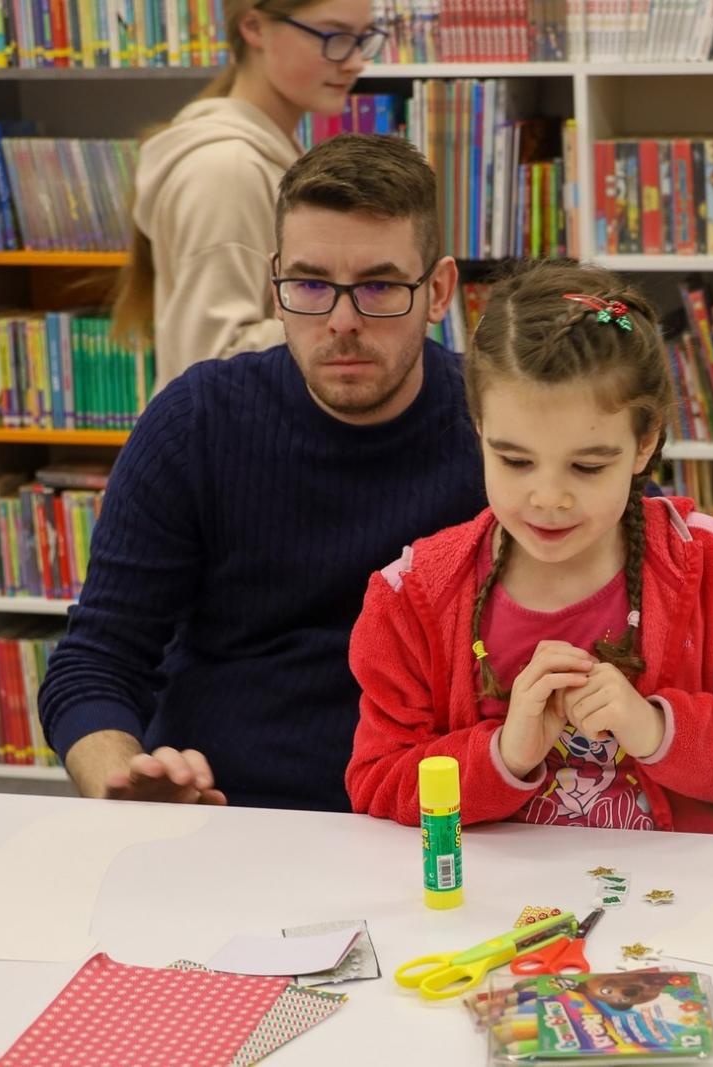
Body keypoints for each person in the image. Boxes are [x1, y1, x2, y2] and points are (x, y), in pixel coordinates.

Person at [39, 134, 484, 812]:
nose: (341, 321)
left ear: (439, 290)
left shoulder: (503, 429)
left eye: (379, 286)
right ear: (274, 286)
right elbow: (95, 660)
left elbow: (655, 566)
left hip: (444, 814)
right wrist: (125, 780)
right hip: (229, 812)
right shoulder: (196, 422)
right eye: (310, 284)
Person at [345, 261, 713, 834]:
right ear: (478, 429)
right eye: (515, 461)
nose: (549, 498)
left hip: (680, 908)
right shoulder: (412, 595)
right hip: (495, 910)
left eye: (588, 466)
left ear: (644, 445)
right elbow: (377, 781)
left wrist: (654, 728)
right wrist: (503, 754)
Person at [112, 0, 388, 391]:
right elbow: (213, 359)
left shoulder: (264, 154)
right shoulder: (227, 169)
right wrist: (370, 314)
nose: (356, 62)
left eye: (363, 39)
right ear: (254, 28)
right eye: (335, 36)